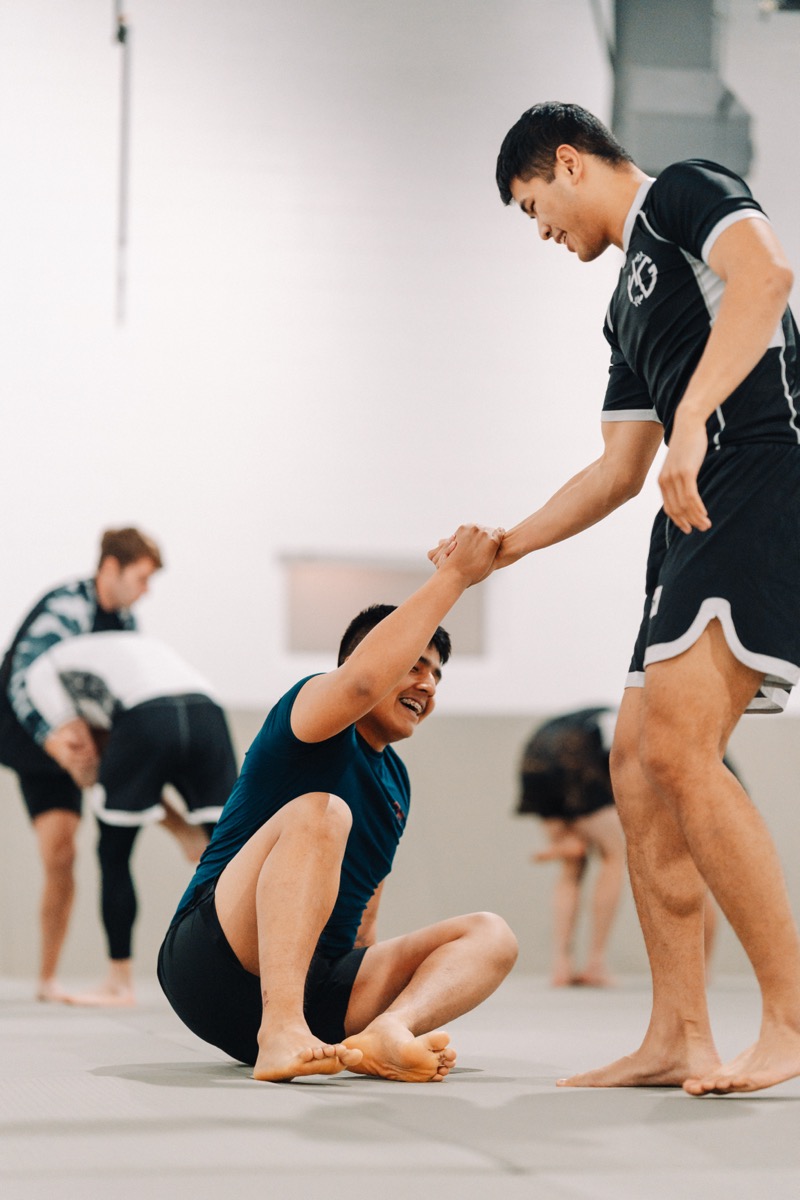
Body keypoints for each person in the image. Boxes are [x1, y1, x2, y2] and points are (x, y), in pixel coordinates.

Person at [433, 102, 800, 1095]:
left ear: (567, 163)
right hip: (685, 507)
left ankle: (787, 1021)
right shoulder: (621, 309)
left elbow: (766, 278)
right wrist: (501, 548)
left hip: (757, 470)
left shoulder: (683, 191)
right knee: (634, 766)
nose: (541, 231)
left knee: (681, 750)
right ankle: (677, 1033)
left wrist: (694, 417)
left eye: (532, 207)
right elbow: (616, 471)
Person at [158, 524, 519, 1083]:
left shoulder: (396, 782)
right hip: (215, 961)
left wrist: (376, 996)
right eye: (415, 665)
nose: (428, 685)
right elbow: (358, 685)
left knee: (491, 934)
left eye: (437, 675)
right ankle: (280, 1028)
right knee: (323, 811)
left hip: (322, 991)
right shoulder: (309, 716)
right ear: (367, 659)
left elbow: (365, 914)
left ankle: (388, 1032)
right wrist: (455, 575)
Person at [23, 629, 238, 1006]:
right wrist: (182, 829)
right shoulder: (125, 648)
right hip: (209, 712)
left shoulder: (39, 674)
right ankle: (248, 977)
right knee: (234, 853)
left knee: (114, 853)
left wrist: (89, 775)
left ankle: (119, 983)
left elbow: (86, 755)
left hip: (146, 717)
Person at [0, 527, 162, 1000]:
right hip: (29, 732)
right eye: (141, 578)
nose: (146, 590)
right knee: (61, 851)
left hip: (78, 734)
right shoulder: (66, 607)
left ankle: (47, 979)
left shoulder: (126, 624)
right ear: (110, 568)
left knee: (64, 853)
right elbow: (23, 679)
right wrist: (51, 740)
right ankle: (47, 977)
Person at [517, 707, 626, 987]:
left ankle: (561, 965)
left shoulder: (594, 714)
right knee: (614, 855)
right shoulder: (627, 716)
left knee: (572, 862)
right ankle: (596, 962)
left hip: (535, 759)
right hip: (577, 757)